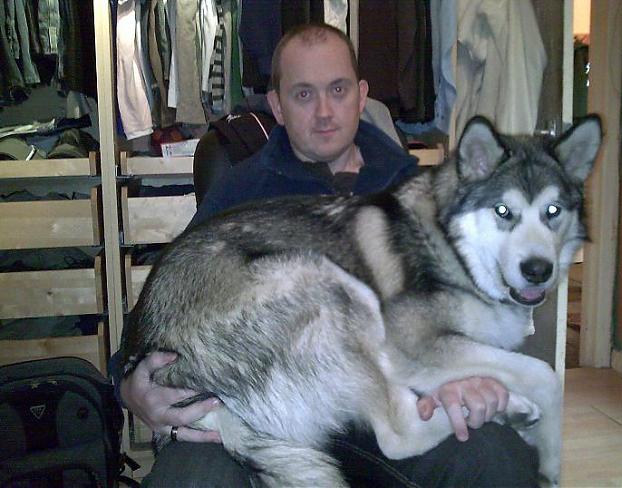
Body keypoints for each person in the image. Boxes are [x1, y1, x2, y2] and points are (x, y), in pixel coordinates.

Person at [115, 23, 539, 487]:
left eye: (338, 90)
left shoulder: (413, 190)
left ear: (361, 95)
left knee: (497, 459)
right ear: (277, 106)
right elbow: (163, 311)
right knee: (188, 481)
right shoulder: (239, 192)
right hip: (253, 402)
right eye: (303, 94)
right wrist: (130, 386)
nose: (323, 112)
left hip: (380, 409)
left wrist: (468, 373)